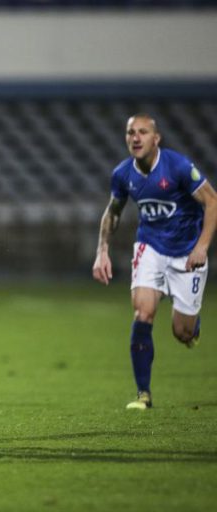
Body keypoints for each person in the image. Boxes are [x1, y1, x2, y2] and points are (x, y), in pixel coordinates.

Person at [92, 113, 216, 410]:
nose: (135, 137)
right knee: (143, 313)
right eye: (130, 132)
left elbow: (212, 202)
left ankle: (191, 326)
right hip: (150, 247)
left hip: (187, 251)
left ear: (156, 138)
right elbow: (113, 211)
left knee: (182, 333)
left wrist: (202, 247)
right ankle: (143, 394)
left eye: (143, 132)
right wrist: (102, 250)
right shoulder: (123, 174)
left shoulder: (178, 167)